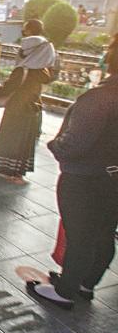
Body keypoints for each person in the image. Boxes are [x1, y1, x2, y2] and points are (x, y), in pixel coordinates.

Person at [29, 33, 118, 309]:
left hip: (86, 177)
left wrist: (55, 145)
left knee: (81, 235)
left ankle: (65, 291)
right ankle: (84, 284)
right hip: (113, 177)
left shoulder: (100, 98)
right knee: (104, 232)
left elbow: (75, 143)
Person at [0, 19, 55, 184]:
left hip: (15, 107)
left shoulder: (23, 69)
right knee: (23, 142)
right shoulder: (43, 72)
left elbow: (10, 86)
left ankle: (4, 169)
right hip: (31, 108)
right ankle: (17, 173)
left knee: (10, 139)